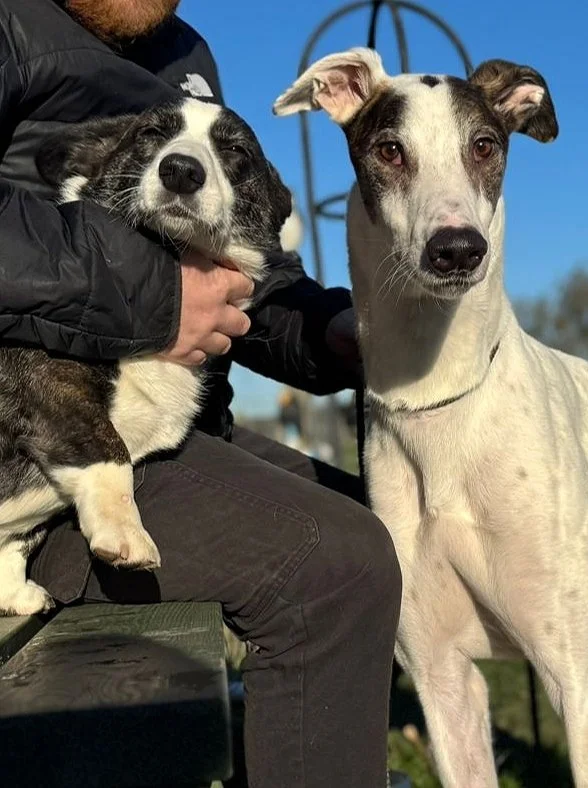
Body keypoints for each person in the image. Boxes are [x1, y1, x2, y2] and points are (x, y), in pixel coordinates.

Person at [0, 1, 402, 786]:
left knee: (376, 518)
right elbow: (165, 289)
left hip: (176, 420)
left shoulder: (187, 52)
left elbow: (241, 269)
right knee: (337, 567)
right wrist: (143, 291)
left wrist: (327, 329)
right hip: (44, 424)